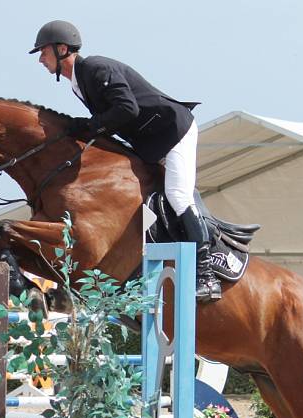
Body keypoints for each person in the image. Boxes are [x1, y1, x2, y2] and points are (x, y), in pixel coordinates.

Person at [29, 20, 221, 302]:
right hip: (149, 141)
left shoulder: (95, 68)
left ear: (61, 49)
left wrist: (91, 126)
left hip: (173, 132)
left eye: (43, 52)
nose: (41, 60)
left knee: (178, 195)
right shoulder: (78, 83)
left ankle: (207, 275)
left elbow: (127, 109)